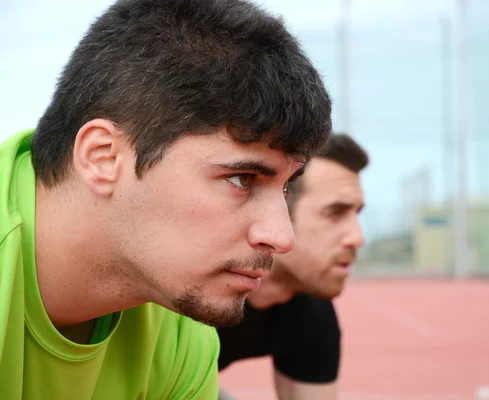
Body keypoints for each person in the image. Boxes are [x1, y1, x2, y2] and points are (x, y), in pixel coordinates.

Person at [0, 0, 332, 398]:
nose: (282, 237)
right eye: (242, 178)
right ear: (102, 158)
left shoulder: (178, 323)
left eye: (285, 186)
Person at [217, 134, 368, 400]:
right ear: (277, 211)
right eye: (335, 213)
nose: (358, 237)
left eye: (357, 214)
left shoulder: (311, 313)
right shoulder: (189, 288)